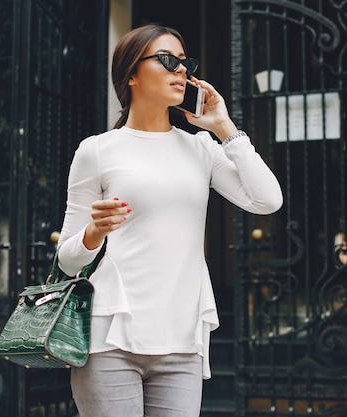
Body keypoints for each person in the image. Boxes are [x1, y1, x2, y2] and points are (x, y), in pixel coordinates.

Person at [56, 23, 283, 417]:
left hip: (181, 341)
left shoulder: (200, 149)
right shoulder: (96, 151)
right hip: (110, 339)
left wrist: (225, 128)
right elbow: (67, 259)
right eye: (167, 60)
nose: (181, 70)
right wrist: (93, 233)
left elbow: (267, 200)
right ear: (131, 75)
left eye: (185, 62)